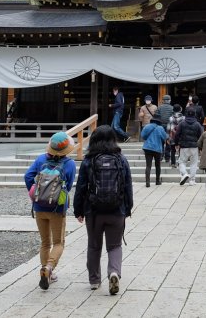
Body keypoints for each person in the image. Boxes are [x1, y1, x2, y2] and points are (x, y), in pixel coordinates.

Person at [73, 125, 133, 295]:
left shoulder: (88, 160)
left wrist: (78, 210)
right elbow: (128, 185)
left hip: (93, 210)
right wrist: (127, 208)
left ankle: (94, 280)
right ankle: (113, 272)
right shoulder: (121, 159)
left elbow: (81, 187)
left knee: (94, 246)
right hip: (116, 209)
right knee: (114, 246)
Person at [24, 131, 77, 290]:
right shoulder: (69, 164)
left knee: (45, 242)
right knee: (58, 242)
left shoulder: (41, 159)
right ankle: (49, 268)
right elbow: (68, 186)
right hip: (57, 208)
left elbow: (28, 176)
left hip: (39, 207)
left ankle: (44, 270)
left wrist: (35, 194)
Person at [174, 106, 204, 185]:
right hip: (194, 146)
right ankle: (192, 180)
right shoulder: (197, 124)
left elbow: (177, 134)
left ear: (186, 114)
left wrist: (176, 143)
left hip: (184, 146)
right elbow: (201, 136)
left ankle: (184, 174)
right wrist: (200, 147)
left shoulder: (182, 123)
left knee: (182, 162)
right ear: (194, 114)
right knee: (194, 164)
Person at [141, 116, 167, 187]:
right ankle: (157, 181)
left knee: (148, 165)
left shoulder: (147, 126)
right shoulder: (160, 128)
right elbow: (165, 137)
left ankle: (147, 182)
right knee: (158, 165)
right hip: (157, 148)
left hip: (147, 148)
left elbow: (143, 136)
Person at [156, 95, 174, 160]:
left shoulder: (159, 107)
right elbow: (173, 118)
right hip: (169, 126)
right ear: (169, 100)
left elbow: (156, 117)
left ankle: (161, 155)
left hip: (161, 126)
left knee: (161, 141)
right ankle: (167, 157)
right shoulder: (172, 108)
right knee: (168, 141)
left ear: (163, 101)